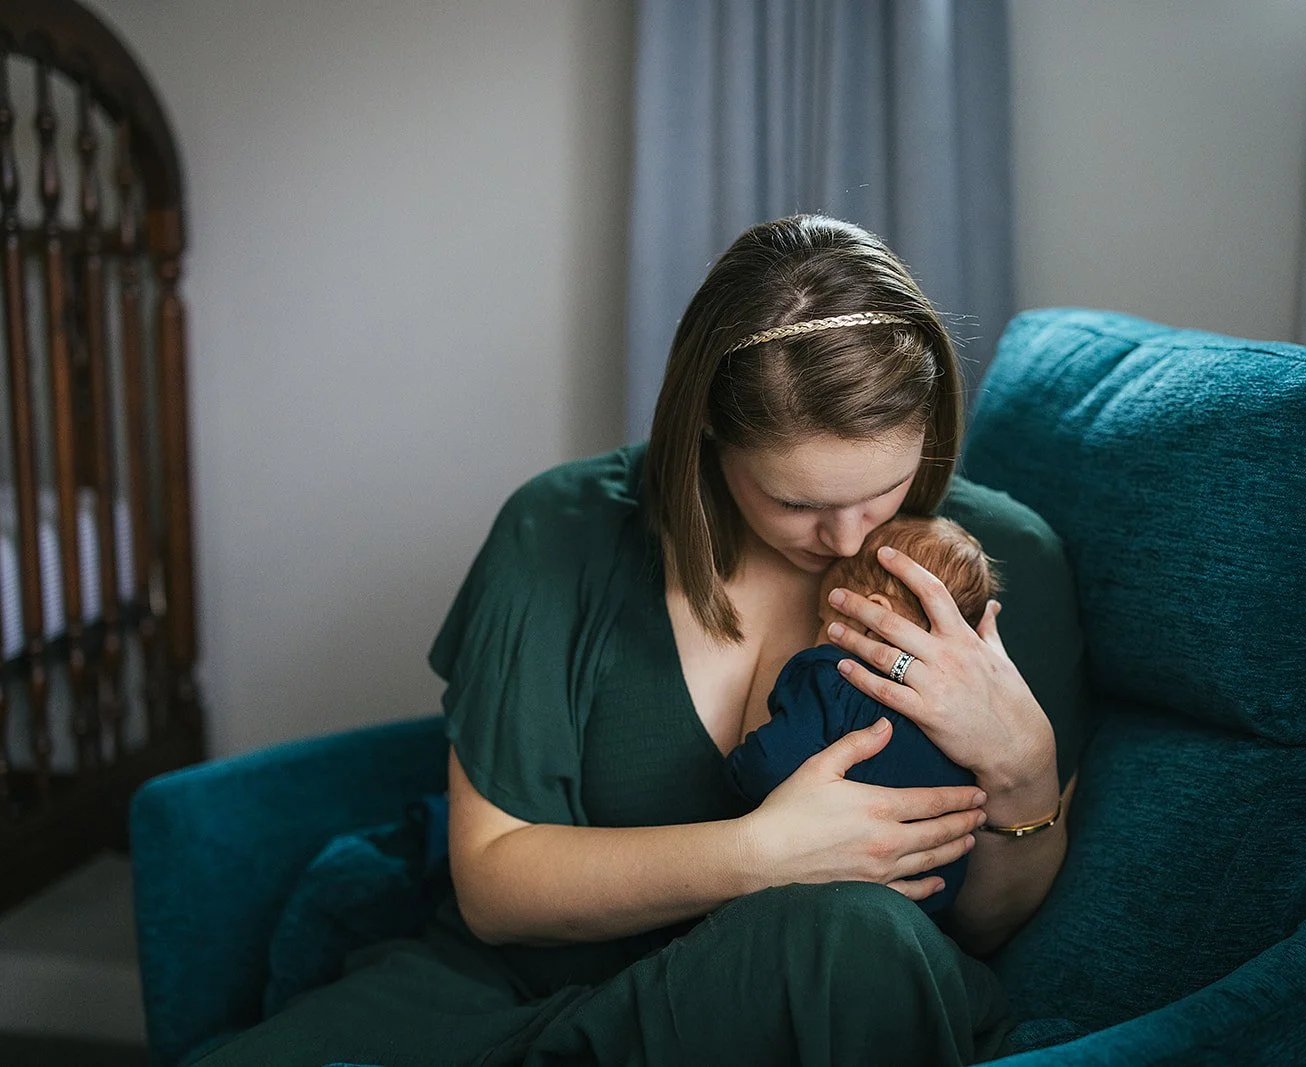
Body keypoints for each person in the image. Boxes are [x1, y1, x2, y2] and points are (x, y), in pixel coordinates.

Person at [194, 214, 1087, 1067]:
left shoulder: (1001, 566)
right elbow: (495, 885)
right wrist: (760, 855)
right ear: (705, 428)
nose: (851, 539)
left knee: (851, 936)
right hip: (509, 996)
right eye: (798, 503)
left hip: (794, 994)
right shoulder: (560, 532)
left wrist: (1024, 765)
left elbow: (986, 927)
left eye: (886, 485)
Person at [724, 515, 1000, 915]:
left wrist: (734, 770)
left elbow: (769, 767)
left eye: (823, 620)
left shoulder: (831, 675)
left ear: (871, 619)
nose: (819, 633)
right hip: (931, 900)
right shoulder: (964, 719)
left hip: (824, 898)